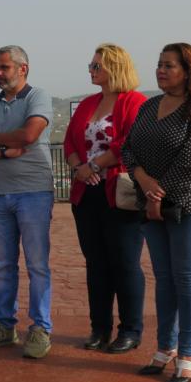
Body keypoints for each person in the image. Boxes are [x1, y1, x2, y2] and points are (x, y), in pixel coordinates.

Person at [123, 43, 191, 382]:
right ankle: (165, 348)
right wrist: (143, 179)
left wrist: (155, 197)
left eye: (169, 65)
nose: (161, 70)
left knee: (186, 275)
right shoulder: (150, 106)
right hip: (151, 200)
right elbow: (128, 148)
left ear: (188, 70)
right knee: (164, 278)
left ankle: (188, 353)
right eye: (159, 64)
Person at [0, 45, 55, 359]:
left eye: (4, 67)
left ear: (23, 69)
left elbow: (30, 134)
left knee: (36, 265)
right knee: (4, 266)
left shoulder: (38, 97)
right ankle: (5, 326)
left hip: (34, 191)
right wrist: (5, 148)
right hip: (1, 195)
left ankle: (41, 329)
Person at [64, 44, 147, 353]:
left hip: (118, 192)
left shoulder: (135, 102)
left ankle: (130, 330)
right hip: (87, 193)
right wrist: (79, 168)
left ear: (114, 68)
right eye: (91, 64)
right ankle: (99, 328)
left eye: (96, 65)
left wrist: (95, 165)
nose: (91, 69)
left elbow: (131, 141)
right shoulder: (89, 103)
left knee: (125, 263)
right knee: (96, 264)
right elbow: (71, 139)